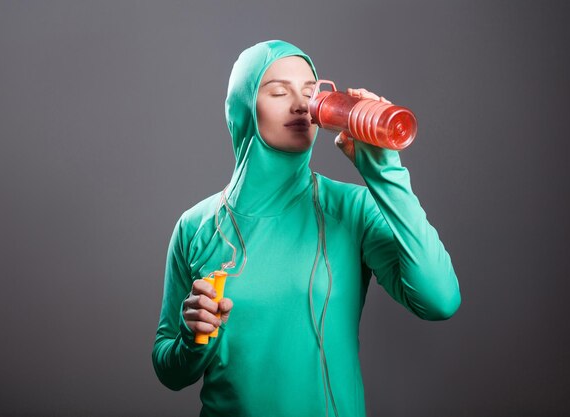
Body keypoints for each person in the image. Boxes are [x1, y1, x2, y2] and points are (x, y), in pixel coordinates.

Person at [152, 40, 461, 417]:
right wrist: (191, 336)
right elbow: (170, 371)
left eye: (312, 92)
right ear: (244, 107)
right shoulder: (195, 226)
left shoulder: (352, 208)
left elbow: (439, 300)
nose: (301, 104)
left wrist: (384, 172)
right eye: (279, 92)